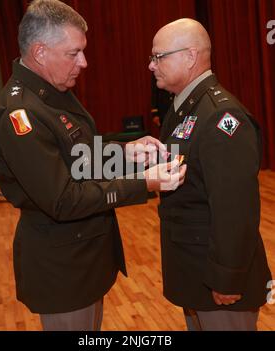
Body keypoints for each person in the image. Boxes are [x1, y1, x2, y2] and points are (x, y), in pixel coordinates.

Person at [0, 0, 186, 331]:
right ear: (40, 52)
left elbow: (76, 155)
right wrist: (144, 182)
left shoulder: (50, 91)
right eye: (74, 53)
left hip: (82, 258)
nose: (84, 62)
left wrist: (126, 152)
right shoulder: (21, 115)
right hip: (63, 270)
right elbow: (63, 198)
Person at [149, 18, 272, 331]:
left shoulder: (220, 116)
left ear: (190, 57)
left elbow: (235, 208)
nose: (152, 65)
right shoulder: (186, 109)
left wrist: (227, 277)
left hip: (220, 285)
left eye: (158, 57)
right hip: (196, 271)